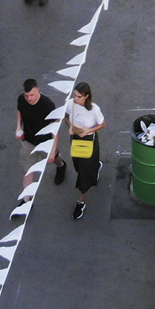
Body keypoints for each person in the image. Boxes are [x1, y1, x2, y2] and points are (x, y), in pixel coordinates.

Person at [60, 81, 105, 219]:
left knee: (83, 174)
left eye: (79, 96)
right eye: (74, 95)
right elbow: (66, 117)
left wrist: (88, 131)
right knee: (78, 165)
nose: (75, 98)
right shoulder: (70, 104)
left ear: (86, 96)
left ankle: (81, 201)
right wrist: (71, 126)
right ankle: (96, 166)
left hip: (88, 140)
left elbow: (102, 124)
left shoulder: (94, 109)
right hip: (75, 138)